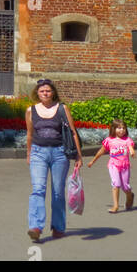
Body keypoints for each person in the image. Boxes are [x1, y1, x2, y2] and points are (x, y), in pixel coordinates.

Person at [25, 77, 83, 241]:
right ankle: (35, 227)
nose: (45, 93)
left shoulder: (62, 109)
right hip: (38, 152)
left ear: (53, 93)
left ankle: (58, 226)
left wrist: (78, 155)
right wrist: (29, 153)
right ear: (37, 93)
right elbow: (29, 134)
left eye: (48, 90)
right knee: (38, 189)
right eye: (42, 90)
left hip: (59, 153)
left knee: (57, 192)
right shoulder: (31, 111)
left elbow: (72, 132)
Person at [87, 119, 135, 213]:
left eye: (123, 128)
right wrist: (92, 161)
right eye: (119, 128)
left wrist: (132, 152)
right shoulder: (109, 140)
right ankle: (116, 206)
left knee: (125, 187)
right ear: (113, 129)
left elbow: (130, 147)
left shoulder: (127, 140)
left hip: (125, 166)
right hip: (113, 165)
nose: (122, 130)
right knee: (116, 184)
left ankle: (130, 195)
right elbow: (101, 151)